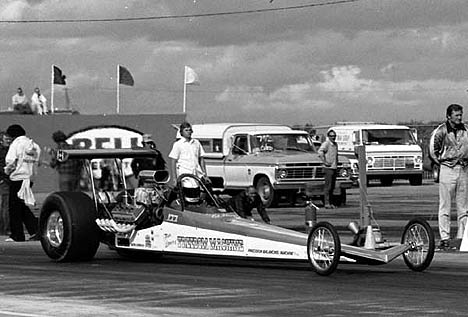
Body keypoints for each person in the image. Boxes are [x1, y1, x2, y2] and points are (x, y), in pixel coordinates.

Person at [429, 103, 468, 251]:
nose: (459, 118)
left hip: (463, 169)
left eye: (460, 115)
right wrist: (442, 162)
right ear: (449, 116)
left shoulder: (465, 130)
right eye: (456, 115)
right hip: (447, 169)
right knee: (445, 205)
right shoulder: (441, 131)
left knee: (463, 207)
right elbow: (433, 149)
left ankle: (462, 236)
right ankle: (445, 237)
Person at [4, 124, 41, 242]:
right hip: (29, 179)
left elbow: (11, 161)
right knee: (21, 206)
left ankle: (17, 235)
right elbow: (36, 162)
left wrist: (7, 171)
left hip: (17, 178)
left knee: (14, 207)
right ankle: (36, 230)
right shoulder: (34, 145)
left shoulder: (16, 144)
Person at [169, 122, 208, 186]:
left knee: (200, 193)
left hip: (197, 175)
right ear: (182, 132)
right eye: (186, 130)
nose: (188, 132)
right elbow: (173, 161)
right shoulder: (178, 144)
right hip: (185, 175)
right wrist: (174, 178)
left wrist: (205, 174)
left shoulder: (196, 143)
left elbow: (201, 159)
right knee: (188, 192)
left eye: (190, 130)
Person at [318, 129, 339, 209]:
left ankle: (331, 202)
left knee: (332, 186)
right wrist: (325, 161)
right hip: (328, 168)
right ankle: (326, 203)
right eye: (331, 136)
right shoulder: (326, 144)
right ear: (328, 136)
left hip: (334, 167)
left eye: (334, 136)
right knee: (328, 186)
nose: (333, 137)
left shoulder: (335, 144)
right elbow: (320, 152)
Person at [0, 132, 12, 236]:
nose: (8, 141)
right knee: (6, 205)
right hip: (5, 180)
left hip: (9, 180)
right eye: (6, 139)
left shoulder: (11, 150)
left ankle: (4, 228)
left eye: (9, 139)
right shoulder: (3, 152)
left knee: (5, 204)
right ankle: (6, 228)